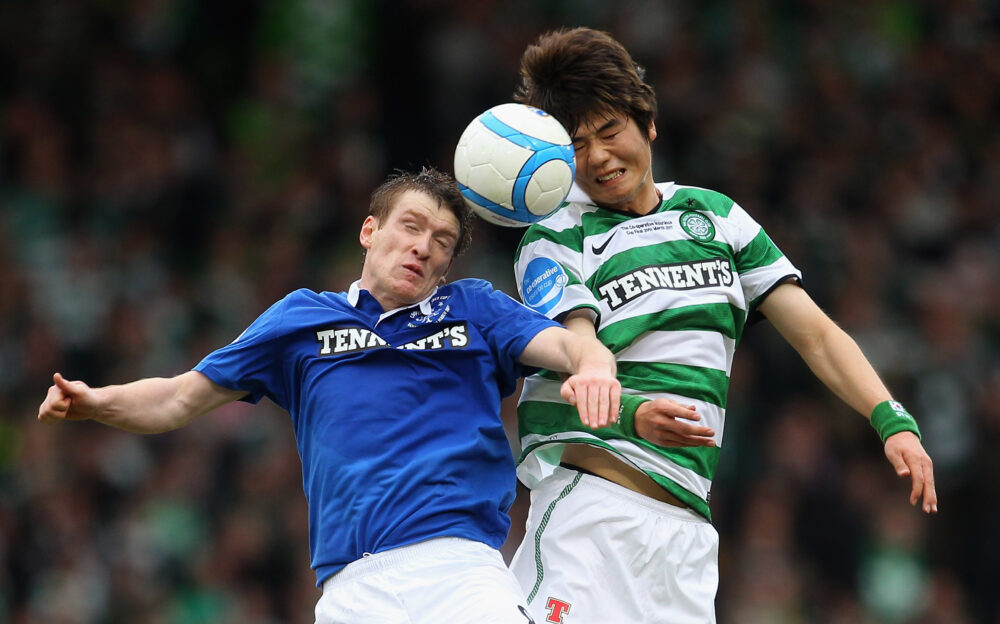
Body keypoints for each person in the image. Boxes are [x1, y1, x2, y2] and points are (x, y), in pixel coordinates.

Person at [37, 167, 622, 624]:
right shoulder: (300, 319)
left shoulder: (475, 307)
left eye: (441, 241)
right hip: (352, 588)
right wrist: (96, 402)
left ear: (446, 265)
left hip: (459, 570)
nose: (423, 246)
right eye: (411, 226)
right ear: (370, 231)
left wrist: (595, 365)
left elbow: (568, 346)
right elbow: (177, 398)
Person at [506, 27, 938, 623]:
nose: (599, 157)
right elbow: (576, 348)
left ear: (648, 124)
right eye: (577, 145)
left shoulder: (716, 217)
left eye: (609, 132)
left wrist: (890, 420)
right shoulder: (554, 236)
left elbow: (816, 335)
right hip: (593, 512)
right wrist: (631, 411)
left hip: (686, 532)